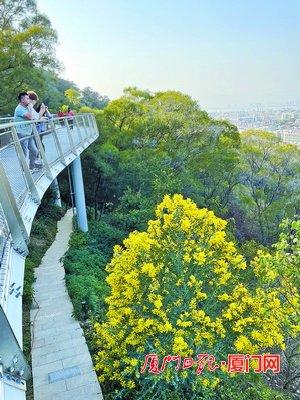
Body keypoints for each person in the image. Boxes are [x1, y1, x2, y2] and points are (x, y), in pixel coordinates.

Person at [14, 92, 41, 170]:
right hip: (21, 133)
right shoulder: (19, 109)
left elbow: (36, 117)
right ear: (22, 100)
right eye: (27, 98)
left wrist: (31, 108)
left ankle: (31, 168)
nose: (29, 100)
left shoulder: (26, 108)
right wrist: (31, 107)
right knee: (24, 153)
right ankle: (24, 171)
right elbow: (31, 117)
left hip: (28, 133)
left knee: (35, 151)